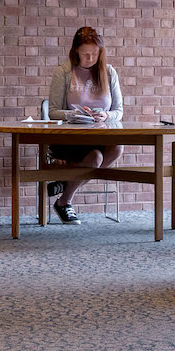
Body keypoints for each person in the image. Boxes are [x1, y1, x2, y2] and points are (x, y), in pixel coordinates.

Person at [45, 26, 124, 224]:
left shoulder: (109, 72)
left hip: (100, 134)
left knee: (117, 148)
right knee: (95, 158)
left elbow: (119, 112)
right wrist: (74, 113)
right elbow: (53, 111)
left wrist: (106, 115)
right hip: (71, 136)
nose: (90, 58)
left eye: (95, 54)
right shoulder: (63, 72)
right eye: (85, 54)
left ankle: (66, 183)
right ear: (75, 52)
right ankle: (65, 201)